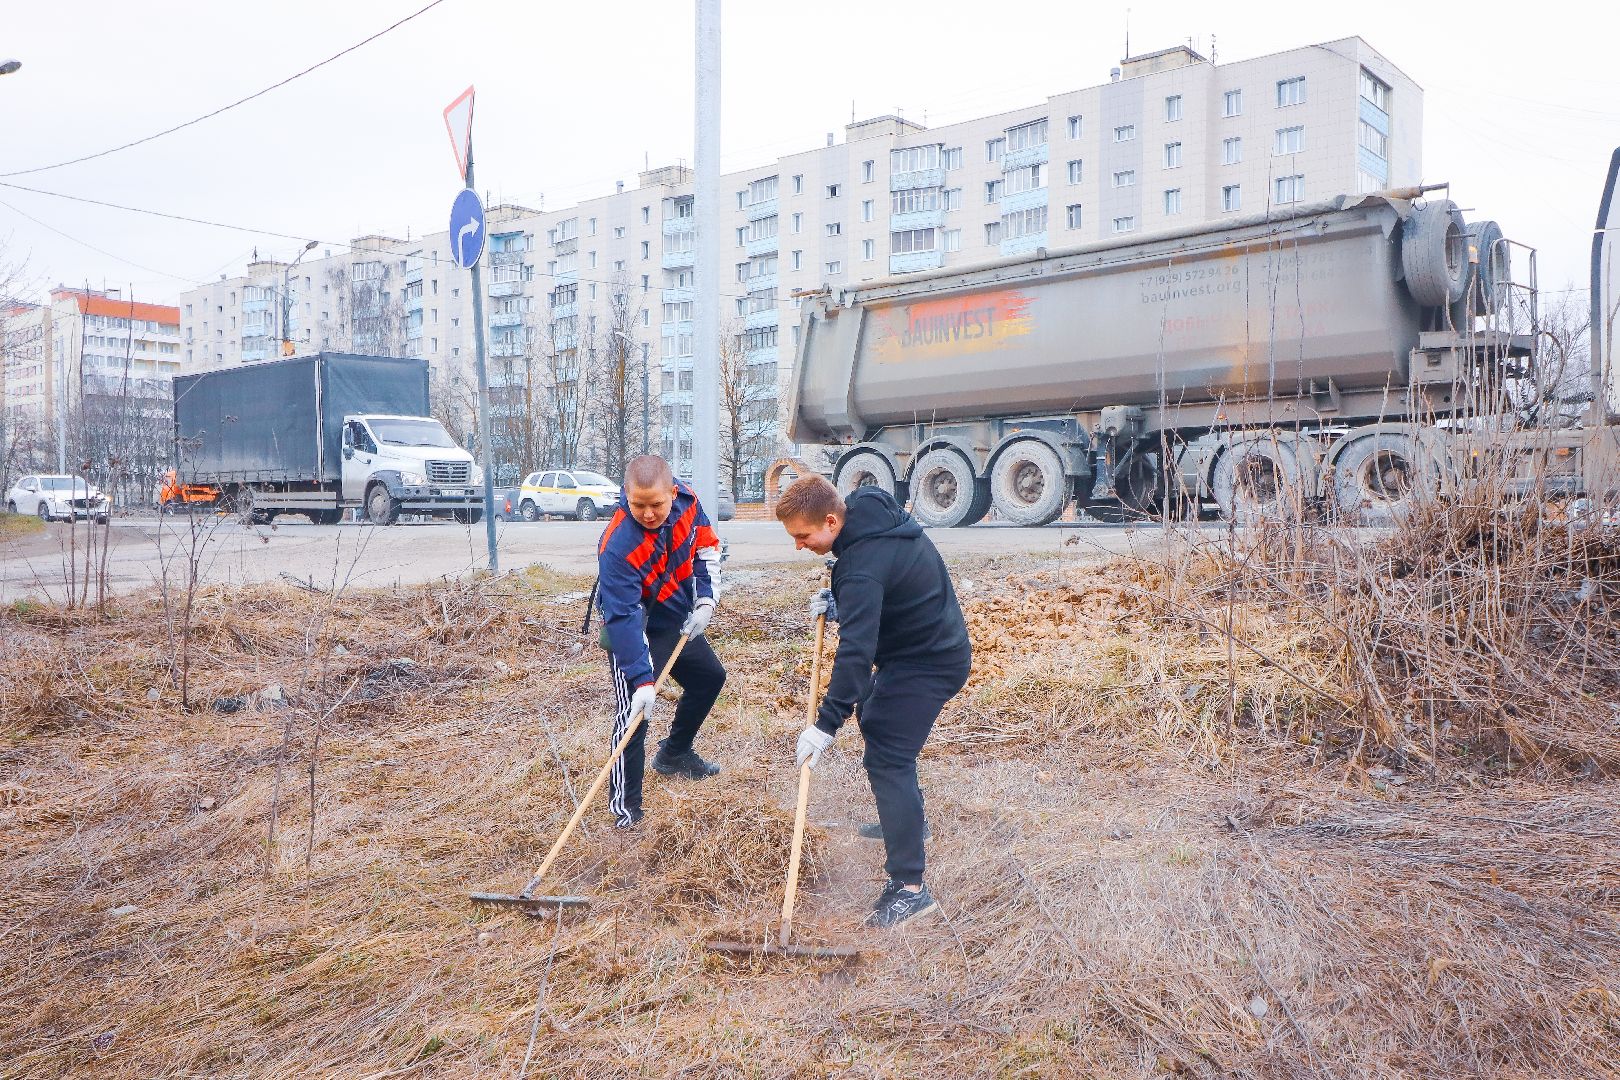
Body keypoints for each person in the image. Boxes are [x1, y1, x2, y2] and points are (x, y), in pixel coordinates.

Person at [774, 474, 972, 927]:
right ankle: (905, 821)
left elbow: (856, 655)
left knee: (888, 755)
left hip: (930, 660)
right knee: (878, 717)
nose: (800, 547)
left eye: (803, 537)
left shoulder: (860, 568)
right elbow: (884, 582)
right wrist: (843, 602)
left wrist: (825, 725)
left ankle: (910, 888)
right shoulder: (863, 508)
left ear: (830, 520)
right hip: (918, 646)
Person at [596, 455, 726, 829]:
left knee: (708, 679)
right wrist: (641, 679)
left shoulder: (688, 502)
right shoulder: (617, 545)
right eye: (639, 505)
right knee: (635, 713)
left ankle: (674, 754)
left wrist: (705, 600)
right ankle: (626, 811)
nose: (649, 513)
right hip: (635, 628)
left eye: (656, 504)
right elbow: (621, 617)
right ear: (626, 495)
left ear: (672, 492)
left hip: (676, 614)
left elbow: (705, 548)